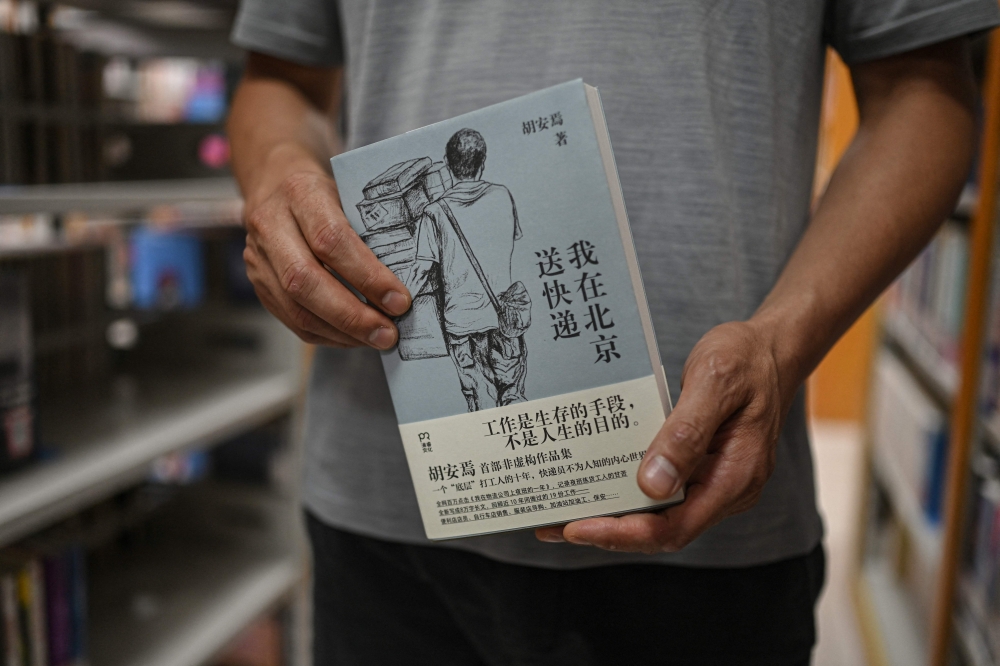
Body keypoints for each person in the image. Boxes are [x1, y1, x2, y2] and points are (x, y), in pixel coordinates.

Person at [227, 1, 999, 663]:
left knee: (481, 386)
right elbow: (279, 78)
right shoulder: (500, 196)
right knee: (505, 371)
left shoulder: (433, 214)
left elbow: (923, 90)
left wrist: (779, 345)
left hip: (707, 520)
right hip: (385, 525)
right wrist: (275, 174)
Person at [404, 128, 527, 412]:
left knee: (477, 405)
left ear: (447, 166)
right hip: (504, 319)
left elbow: (421, 271)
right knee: (511, 395)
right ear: (483, 161)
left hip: (461, 323)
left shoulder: (434, 213)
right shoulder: (503, 196)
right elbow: (509, 241)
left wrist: (395, 306)